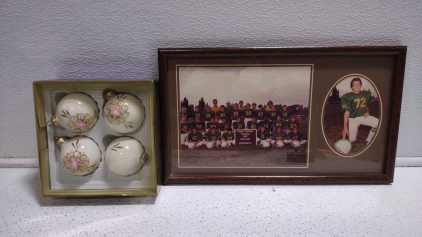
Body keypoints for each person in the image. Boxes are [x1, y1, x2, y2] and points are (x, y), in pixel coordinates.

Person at [341, 77, 379, 144]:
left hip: (362, 117)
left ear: (361, 85)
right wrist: (345, 127)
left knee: (377, 123)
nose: (356, 86)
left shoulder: (366, 94)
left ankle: (369, 140)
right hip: (352, 119)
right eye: (354, 85)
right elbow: (347, 112)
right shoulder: (347, 96)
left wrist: (367, 112)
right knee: (352, 141)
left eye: (358, 84)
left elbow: (367, 105)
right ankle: (355, 132)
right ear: (352, 87)